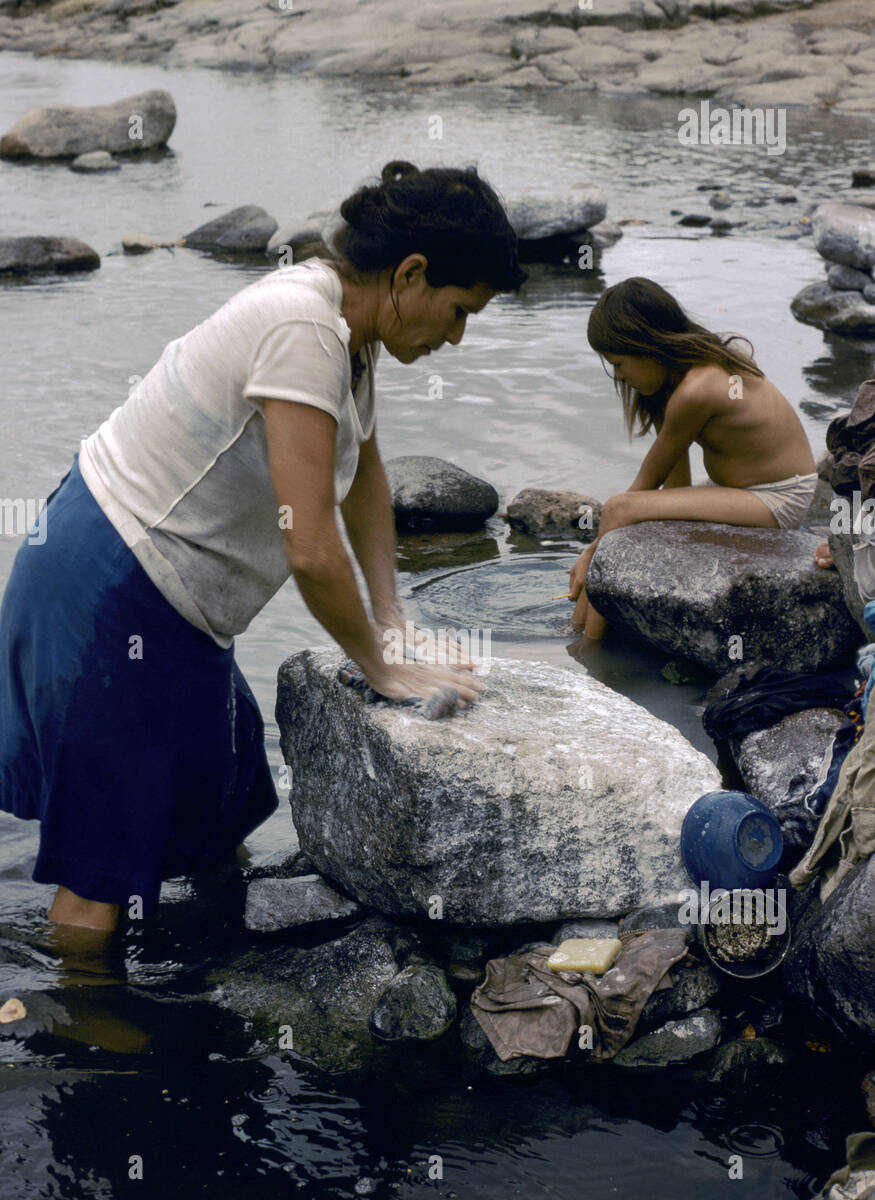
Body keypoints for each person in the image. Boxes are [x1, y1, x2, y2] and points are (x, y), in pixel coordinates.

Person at [0, 159, 525, 944]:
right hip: (111, 580)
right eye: (457, 311)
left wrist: (390, 618)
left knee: (217, 808)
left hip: (182, 603)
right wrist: (381, 671)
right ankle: (86, 1039)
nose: (455, 335)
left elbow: (363, 480)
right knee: (100, 870)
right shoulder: (303, 326)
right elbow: (310, 547)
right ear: (409, 273)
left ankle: (208, 980)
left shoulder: (350, 331)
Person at [569, 277, 816, 638]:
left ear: (647, 345)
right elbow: (676, 485)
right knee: (628, 515)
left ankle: (585, 644)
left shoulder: (699, 389)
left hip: (779, 497)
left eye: (619, 363)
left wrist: (591, 554)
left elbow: (639, 493)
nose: (618, 375)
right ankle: (583, 627)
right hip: (742, 491)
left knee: (619, 509)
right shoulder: (671, 384)